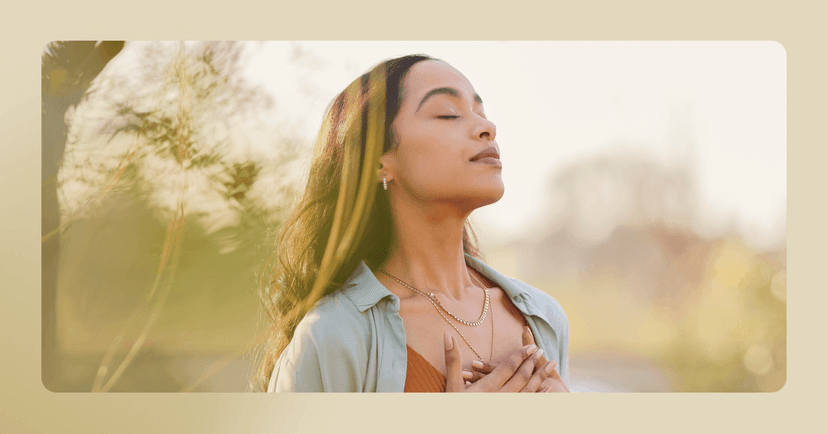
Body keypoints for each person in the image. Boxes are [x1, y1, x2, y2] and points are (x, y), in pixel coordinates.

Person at [251, 54, 570, 393]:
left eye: (481, 113)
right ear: (379, 160)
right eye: (448, 113)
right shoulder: (332, 337)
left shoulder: (545, 318)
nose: (487, 128)